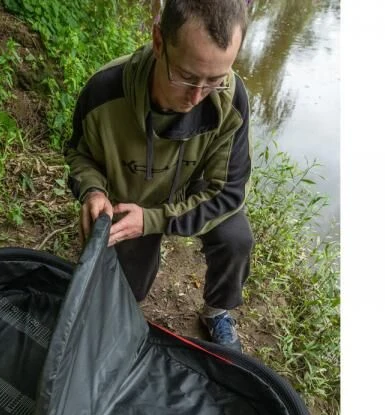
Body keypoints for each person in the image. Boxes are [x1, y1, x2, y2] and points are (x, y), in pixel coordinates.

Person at [65, 0, 252, 351]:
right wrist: (93, 191)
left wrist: (154, 220)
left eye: (214, 80)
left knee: (236, 238)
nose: (197, 96)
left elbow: (228, 191)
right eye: (186, 76)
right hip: (131, 194)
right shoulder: (104, 91)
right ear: (158, 42)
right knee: (125, 295)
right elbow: (79, 155)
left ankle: (216, 311)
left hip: (192, 186)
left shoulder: (232, 98)